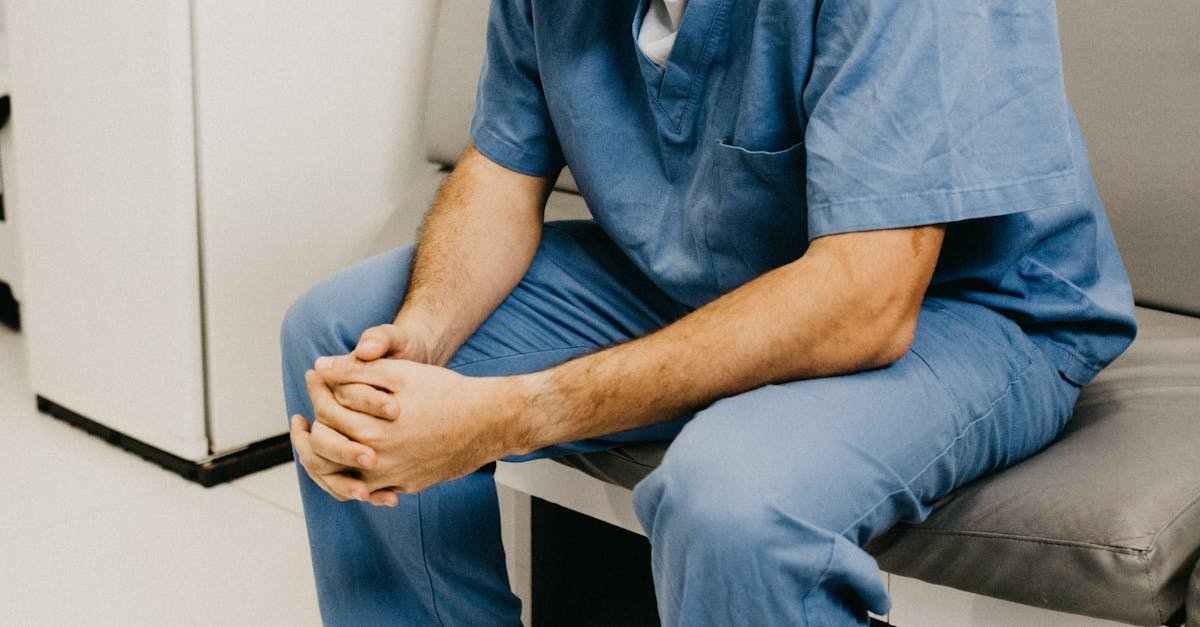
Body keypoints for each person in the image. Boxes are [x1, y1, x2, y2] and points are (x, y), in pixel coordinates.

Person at [280, 1, 1137, 624]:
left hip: (970, 303)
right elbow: (502, 168)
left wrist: (508, 412)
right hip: (705, 263)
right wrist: (420, 342)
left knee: (732, 502)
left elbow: (865, 301)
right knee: (347, 344)